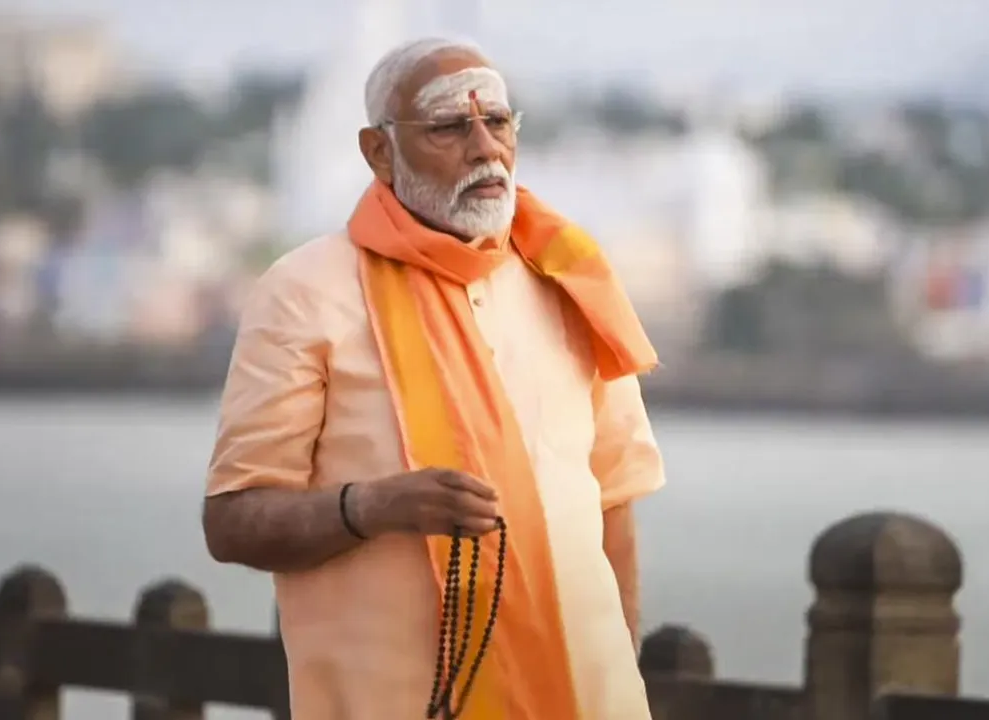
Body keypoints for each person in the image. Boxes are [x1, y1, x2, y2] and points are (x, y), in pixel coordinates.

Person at [203, 36, 665, 720]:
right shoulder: (305, 291)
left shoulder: (570, 276)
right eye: (449, 126)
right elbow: (232, 522)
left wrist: (623, 685)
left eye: (498, 122)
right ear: (378, 152)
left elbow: (613, 506)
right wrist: (372, 508)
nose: (484, 148)